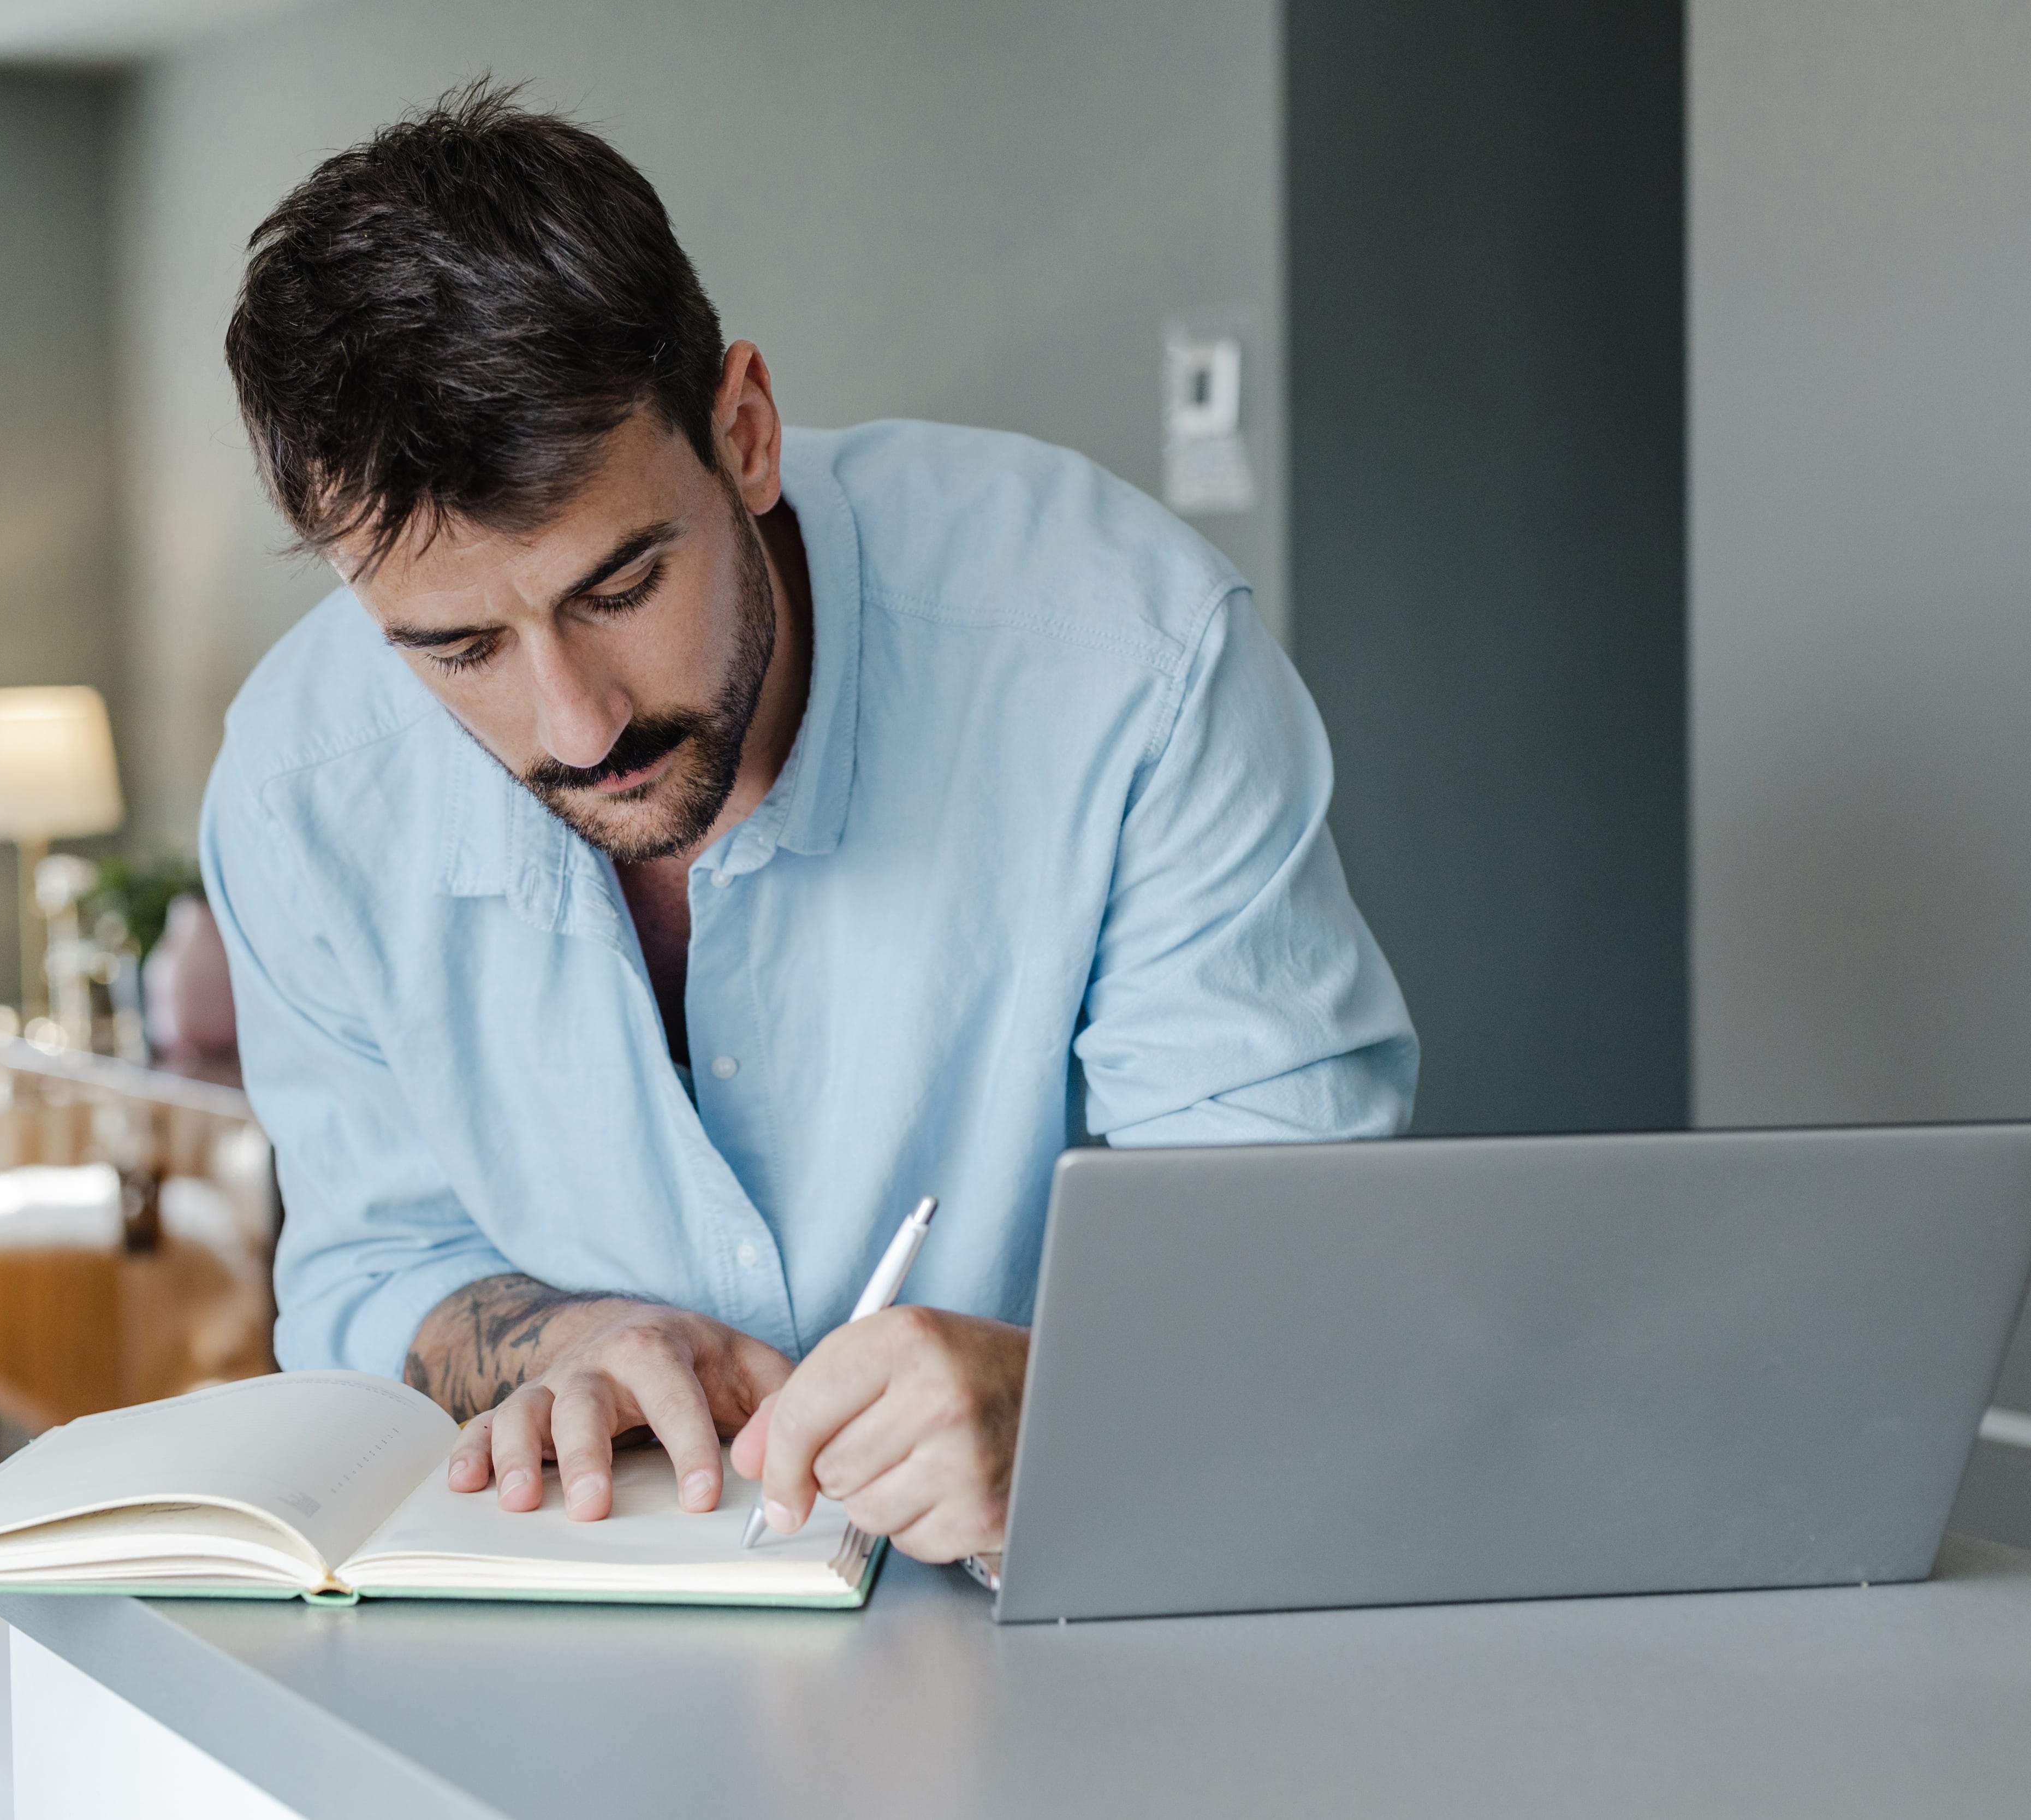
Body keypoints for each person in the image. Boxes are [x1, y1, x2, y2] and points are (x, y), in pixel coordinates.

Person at [203, 82, 1416, 1566]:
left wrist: (1076, 1414)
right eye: (461, 652)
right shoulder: (296, 787)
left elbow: (1298, 1247)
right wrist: (559, 1342)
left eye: (621, 588)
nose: (577, 725)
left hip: (1112, 1617)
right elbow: (372, 1263)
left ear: (747, 433)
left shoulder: (1125, 662)